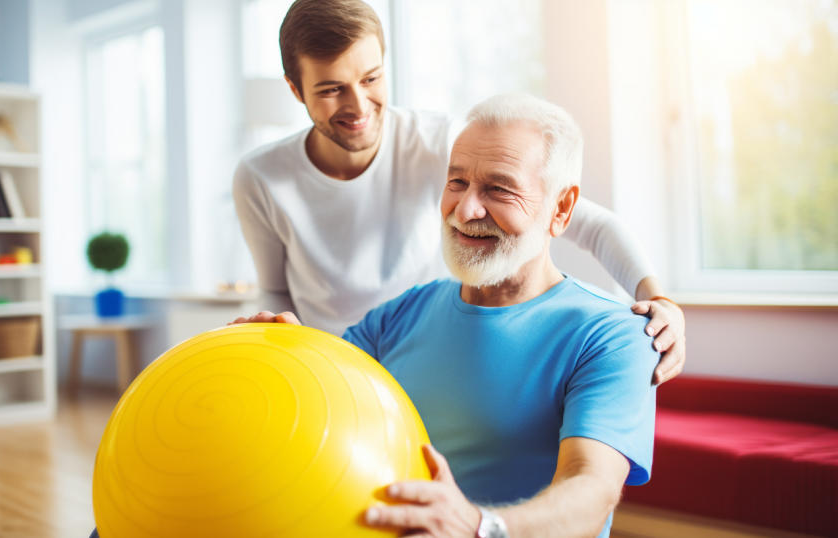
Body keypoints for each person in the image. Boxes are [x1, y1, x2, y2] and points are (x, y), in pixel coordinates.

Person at [234, 92, 658, 537]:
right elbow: (328, 402)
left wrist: (481, 527)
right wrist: (283, 359)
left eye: (498, 189)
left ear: (563, 208)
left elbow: (591, 491)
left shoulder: (614, 335)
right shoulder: (398, 317)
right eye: (457, 182)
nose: (466, 209)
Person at [232, 0, 685, 384]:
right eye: (332, 89)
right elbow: (275, 290)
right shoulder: (261, 177)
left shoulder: (439, 143)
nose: (357, 106)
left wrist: (658, 298)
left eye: (370, 79)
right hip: (335, 374)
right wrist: (281, 345)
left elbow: (590, 223)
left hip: (435, 360)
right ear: (295, 89)